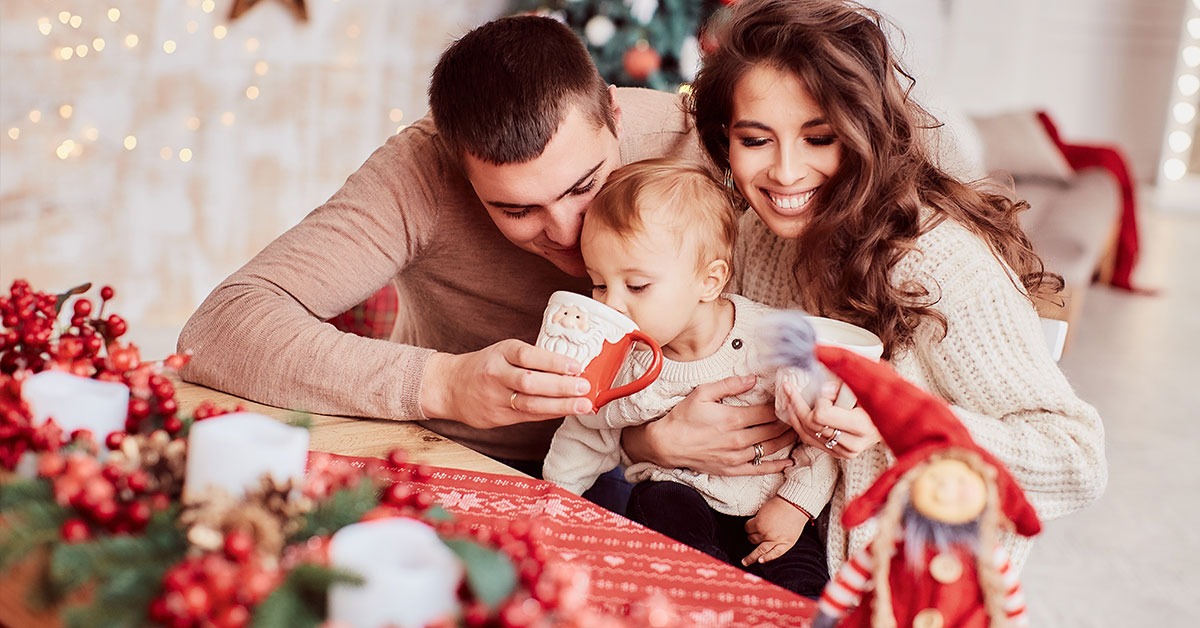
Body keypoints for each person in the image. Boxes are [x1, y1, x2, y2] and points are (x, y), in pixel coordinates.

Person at [176, 16, 792, 494]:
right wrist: (443, 383)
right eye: (518, 211)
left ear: (615, 113)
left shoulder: (696, 142)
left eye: (585, 184)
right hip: (457, 455)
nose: (570, 231)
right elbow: (218, 327)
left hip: (672, 478)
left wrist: (645, 443)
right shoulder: (417, 170)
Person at [682, 0, 1106, 573]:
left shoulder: (937, 262)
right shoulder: (755, 239)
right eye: (757, 140)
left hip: (902, 587)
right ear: (724, 142)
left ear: (865, 136)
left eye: (819, 138)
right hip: (766, 542)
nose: (784, 173)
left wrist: (897, 421)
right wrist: (656, 442)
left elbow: (1075, 462)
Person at [542, 159, 834, 597]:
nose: (613, 305)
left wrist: (795, 505)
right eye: (599, 285)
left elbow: (820, 432)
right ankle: (698, 586)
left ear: (709, 281)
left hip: (770, 513)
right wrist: (553, 504)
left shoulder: (773, 342)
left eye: (636, 286)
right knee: (656, 502)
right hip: (681, 505)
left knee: (803, 586)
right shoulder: (623, 361)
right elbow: (585, 431)